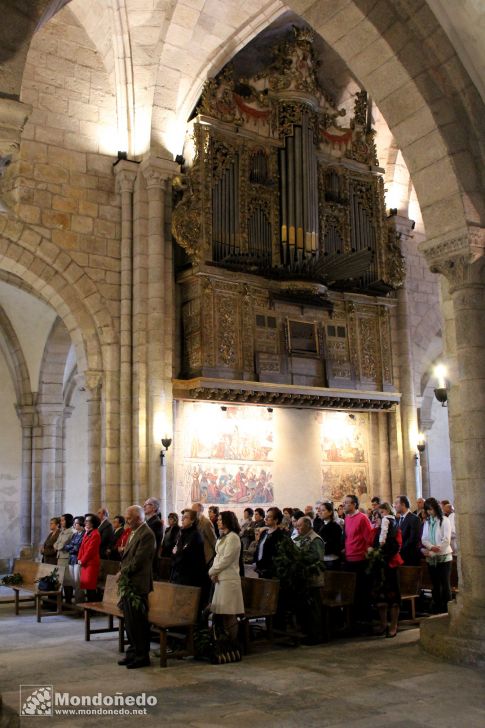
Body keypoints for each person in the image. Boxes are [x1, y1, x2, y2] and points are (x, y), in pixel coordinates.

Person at [117, 505, 156, 669]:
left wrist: (122, 572)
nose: (126, 520)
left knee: (138, 622)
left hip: (138, 584)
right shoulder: (135, 532)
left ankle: (142, 656)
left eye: (129, 518)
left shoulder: (146, 534)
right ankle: (133, 652)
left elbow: (139, 560)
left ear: (139, 518)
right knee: (130, 622)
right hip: (129, 583)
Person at [209, 511, 244, 643]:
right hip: (220, 578)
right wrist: (215, 573)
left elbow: (227, 559)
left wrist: (211, 571)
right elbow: (217, 556)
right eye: (217, 519)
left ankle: (232, 643)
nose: (217, 521)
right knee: (222, 612)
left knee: (230, 613)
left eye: (220, 519)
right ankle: (224, 641)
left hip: (229, 579)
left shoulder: (233, 537)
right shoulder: (223, 536)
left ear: (227, 521)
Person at [370, 502, 403, 638]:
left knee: (393, 597)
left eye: (378, 517)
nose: (376, 520)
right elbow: (371, 545)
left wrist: (384, 555)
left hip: (391, 566)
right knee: (380, 598)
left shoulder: (395, 530)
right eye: (376, 517)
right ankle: (383, 624)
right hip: (379, 567)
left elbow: (397, 546)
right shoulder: (375, 532)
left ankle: (394, 625)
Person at [343, 494, 373, 626]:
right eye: (344, 503)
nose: (344, 505)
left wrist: (366, 552)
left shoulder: (362, 518)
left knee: (362, 591)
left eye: (347, 503)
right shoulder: (347, 518)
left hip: (360, 559)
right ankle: (354, 620)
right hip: (349, 559)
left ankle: (365, 620)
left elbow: (369, 538)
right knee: (353, 592)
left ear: (354, 504)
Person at [421, 497, 452, 614]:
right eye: (427, 510)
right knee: (435, 584)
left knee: (445, 584)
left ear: (436, 508)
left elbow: (446, 540)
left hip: (444, 558)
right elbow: (424, 539)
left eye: (431, 509)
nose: (429, 512)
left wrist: (433, 551)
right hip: (431, 558)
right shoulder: (428, 522)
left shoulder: (444, 520)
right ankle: (438, 607)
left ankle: (447, 609)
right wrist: (430, 547)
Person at [170, 510, 207, 589]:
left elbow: (186, 554)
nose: (182, 520)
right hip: (178, 574)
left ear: (193, 520)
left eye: (186, 517)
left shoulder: (196, 535)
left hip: (190, 576)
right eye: (182, 517)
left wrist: (177, 553)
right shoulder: (181, 533)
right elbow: (174, 551)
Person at [255, 507, 286, 579]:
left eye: (269, 517)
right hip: (261, 569)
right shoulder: (264, 533)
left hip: (271, 571)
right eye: (266, 516)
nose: (265, 519)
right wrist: (256, 562)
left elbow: (276, 554)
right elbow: (259, 548)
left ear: (276, 520)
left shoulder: (279, 535)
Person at [78, 514, 101, 601]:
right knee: (87, 585)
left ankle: (92, 607)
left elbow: (90, 551)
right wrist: (79, 559)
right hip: (85, 563)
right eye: (85, 521)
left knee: (90, 586)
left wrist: (82, 560)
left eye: (87, 521)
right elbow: (81, 547)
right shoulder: (87, 532)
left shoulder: (95, 534)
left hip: (91, 563)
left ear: (93, 523)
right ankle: (88, 607)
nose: (85, 522)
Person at [53, 513, 74, 603]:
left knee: (67, 580)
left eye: (63, 520)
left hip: (65, 558)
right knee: (60, 580)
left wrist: (58, 546)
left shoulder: (71, 532)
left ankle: (68, 601)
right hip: (60, 558)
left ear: (68, 521)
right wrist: (57, 546)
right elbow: (55, 544)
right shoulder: (62, 531)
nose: (61, 522)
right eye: (61, 520)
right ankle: (60, 601)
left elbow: (61, 545)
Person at [394, 495, 421, 565]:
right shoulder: (397, 519)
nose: (394, 506)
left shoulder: (414, 519)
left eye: (396, 503)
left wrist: (400, 549)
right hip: (399, 556)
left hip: (409, 556)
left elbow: (413, 539)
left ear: (403, 504)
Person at [316, 501, 343, 570]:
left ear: (330, 512)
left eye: (323, 510)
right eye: (320, 510)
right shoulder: (322, 524)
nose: (320, 512)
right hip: (323, 558)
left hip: (331, 559)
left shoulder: (335, 526)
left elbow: (333, 544)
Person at [65, 516, 85, 602]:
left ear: (81, 524)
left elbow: (78, 548)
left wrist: (71, 547)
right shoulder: (75, 534)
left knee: (78, 582)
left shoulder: (84, 534)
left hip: (78, 560)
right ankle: (77, 601)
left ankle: (79, 602)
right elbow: (66, 546)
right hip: (71, 559)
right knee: (73, 582)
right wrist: (72, 547)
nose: (74, 524)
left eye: (76, 523)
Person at [143, 497, 163, 576]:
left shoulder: (156, 522)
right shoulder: (148, 522)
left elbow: (148, 540)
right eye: (144, 505)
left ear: (154, 507)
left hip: (151, 559)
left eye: (146, 505)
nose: (144, 506)